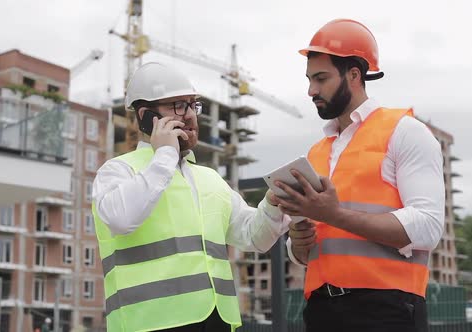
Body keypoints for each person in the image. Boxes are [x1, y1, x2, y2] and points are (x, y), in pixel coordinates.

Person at [271, 19, 445, 332]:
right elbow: (308, 252)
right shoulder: (315, 153)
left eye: (321, 78)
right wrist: (297, 243)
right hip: (322, 310)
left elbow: (429, 226)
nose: (311, 90)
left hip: (388, 310)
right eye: (309, 79)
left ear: (354, 75)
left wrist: (335, 215)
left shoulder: (405, 132)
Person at [92, 62, 290, 332]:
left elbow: (254, 237)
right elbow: (121, 219)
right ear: (146, 115)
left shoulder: (209, 179)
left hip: (216, 321)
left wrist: (273, 203)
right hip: (149, 324)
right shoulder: (118, 171)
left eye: (192, 105)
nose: (189, 115)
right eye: (177, 105)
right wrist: (164, 155)